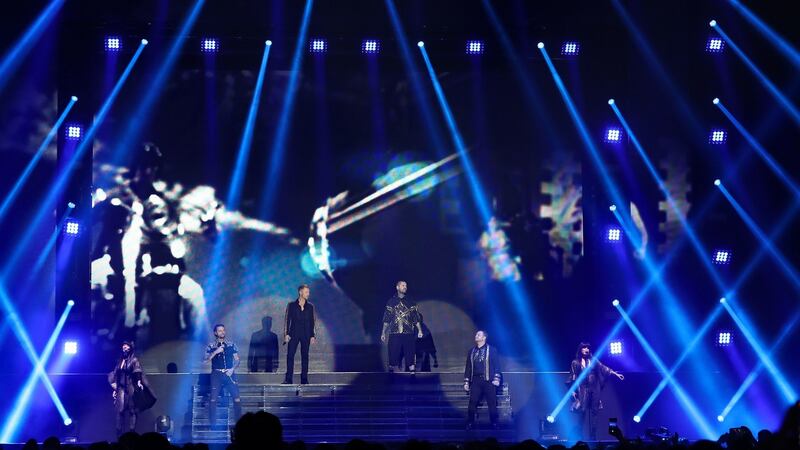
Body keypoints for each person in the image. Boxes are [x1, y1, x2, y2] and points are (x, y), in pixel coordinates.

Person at [566, 342, 624, 440]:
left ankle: (593, 435)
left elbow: (603, 367)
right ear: (580, 350)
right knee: (582, 410)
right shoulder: (575, 362)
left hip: (594, 388)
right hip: (583, 388)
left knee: (594, 411)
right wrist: (573, 390)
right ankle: (579, 433)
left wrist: (615, 374)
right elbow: (573, 377)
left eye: (587, 348)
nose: (586, 349)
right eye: (584, 348)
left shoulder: (593, 360)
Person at [108, 341, 156, 435]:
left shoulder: (134, 360)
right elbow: (115, 374)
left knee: (132, 410)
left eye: (126, 347)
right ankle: (119, 432)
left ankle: (132, 432)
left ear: (130, 348)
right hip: (121, 388)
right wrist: (115, 388)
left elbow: (137, 371)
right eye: (123, 347)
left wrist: (139, 382)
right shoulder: (120, 361)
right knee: (120, 410)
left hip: (130, 387)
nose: (124, 349)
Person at [204, 324, 242, 429]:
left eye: (223, 330)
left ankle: (239, 424)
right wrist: (216, 351)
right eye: (219, 331)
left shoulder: (231, 345)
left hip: (229, 373)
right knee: (213, 399)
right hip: (216, 374)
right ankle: (213, 424)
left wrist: (232, 369)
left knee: (237, 398)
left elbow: (237, 360)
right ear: (215, 333)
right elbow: (206, 360)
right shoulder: (211, 346)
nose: (222, 332)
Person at [381, 281, 423, 373]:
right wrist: (383, 332)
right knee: (393, 354)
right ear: (397, 287)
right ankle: (391, 374)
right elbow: (387, 318)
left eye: (406, 286)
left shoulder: (411, 302)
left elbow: (415, 317)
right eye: (403, 285)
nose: (405, 287)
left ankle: (412, 374)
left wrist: (420, 330)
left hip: (408, 333)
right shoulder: (391, 302)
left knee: (410, 354)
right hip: (394, 333)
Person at [463, 330, 502, 430]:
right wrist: (466, 382)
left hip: (488, 380)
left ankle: (494, 423)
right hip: (476, 380)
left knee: (492, 403)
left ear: (484, 337)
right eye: (476, 334)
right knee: (472, 402)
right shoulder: (471, 351)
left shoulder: (492, 350)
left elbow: (497, 366)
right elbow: (468, 368)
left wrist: (496, 379)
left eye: (478, 335)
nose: (476, 336)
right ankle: (470, 423)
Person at [283, 284, 317, 384]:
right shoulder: (291, 305)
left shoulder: (310, 307)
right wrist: (286, 334)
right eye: (306, 292)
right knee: (290, 355)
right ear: (300, 292)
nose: (308, 294)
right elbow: (287, 320)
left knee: (305, 356)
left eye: (308, 292)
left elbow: (312, 321)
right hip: (294, 333)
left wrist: (313, 335)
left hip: (306, 334)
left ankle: (304, 379)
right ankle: (288, 379)